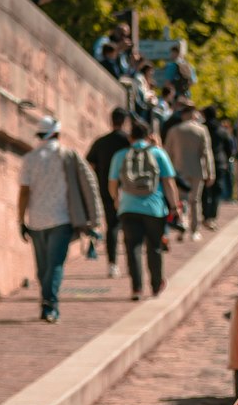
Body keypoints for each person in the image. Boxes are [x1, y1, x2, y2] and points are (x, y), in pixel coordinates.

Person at [18, 115, 103, 323]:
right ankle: (50, 305)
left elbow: (24, 192)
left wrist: (21, 220)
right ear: (57, 133)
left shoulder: (30, 158)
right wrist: (94, 217)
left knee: (43, 266)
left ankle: (47, 301)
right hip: (61, 218)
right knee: (55, 265)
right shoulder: (66, 155)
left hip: (37, 219)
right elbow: (88, 183)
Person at [109, 121, 180, 301]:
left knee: (132, 247)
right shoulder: (158, 153)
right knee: (154, 247)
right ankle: (156, 285)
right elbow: (169, 182)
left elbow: (112, 183)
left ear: (130, 137)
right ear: (149, 135)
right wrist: (174, 206)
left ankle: (137, 289)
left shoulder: (120, 155)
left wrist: (117, 199)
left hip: (128, 207)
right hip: (154, 208)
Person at [86, 107, 131, 278]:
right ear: (125, 121)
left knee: (112, 226)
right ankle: (131, 263)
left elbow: (89, 164)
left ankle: (112, 264)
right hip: (128, 190)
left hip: (105, 189)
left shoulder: (101, 141)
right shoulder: (128, 141)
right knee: (128, 227)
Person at [165, 101, 215, 240]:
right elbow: (207, 152)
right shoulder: (201, 130)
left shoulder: (174, 131)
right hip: (197, 170)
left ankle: (182, 226)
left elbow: (167, 153)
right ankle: (194, 230)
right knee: (195, 200)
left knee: (181, 200)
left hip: (178, 170)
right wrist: (211, 172)